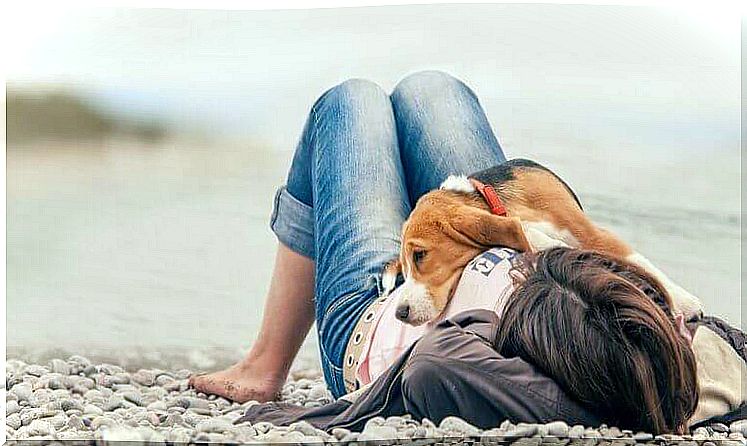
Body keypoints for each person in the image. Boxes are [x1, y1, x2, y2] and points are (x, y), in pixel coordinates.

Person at [189, 71, 739, 433]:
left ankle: (266, 364)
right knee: (432, 90)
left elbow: (428, 366)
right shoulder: (674, 364)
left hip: (371, 318)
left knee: (348, 103)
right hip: (491, 230)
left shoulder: (540, 391)